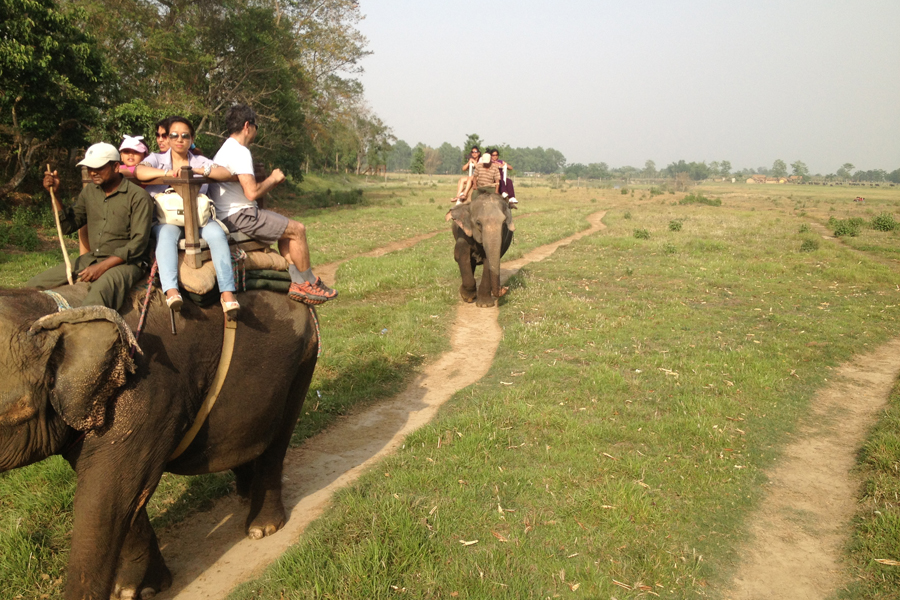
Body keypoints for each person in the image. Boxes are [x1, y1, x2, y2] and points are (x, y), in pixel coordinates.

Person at [209, 104, 336, 305]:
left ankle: (297, 282)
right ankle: (309, 282)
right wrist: (273, 179)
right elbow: (252, 192)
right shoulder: (240, 151)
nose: (256, 131)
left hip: (229, 214)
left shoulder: (224, 149)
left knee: (286, 229)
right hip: (240, 216)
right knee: (298, 229)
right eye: (256, 126)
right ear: (247, 126)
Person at [135, 117, 240, 316]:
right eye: (173, 135)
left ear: (192, 138)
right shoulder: (157, 158)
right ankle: (171, 290)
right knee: (165, 235)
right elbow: (139, 170)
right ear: (168, 137)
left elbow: (225, 172)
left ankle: (227, 292)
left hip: (199, 217)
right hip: (168, 218)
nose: (179, 139)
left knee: (217, 234)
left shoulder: (199, 160)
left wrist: (199, 171)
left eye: (185, 135)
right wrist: (167, 173)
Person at [27, 143, 152, 311]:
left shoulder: (138, 197)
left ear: (116, 166)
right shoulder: (89, 192)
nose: (93, 172)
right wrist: (55, 195)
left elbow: (137, 244)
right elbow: (67, 226)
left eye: (99, 167)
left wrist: (101, 267)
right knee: (33, 285)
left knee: (96, 299)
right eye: (90, 167)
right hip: (93, 257)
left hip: (127, 263)